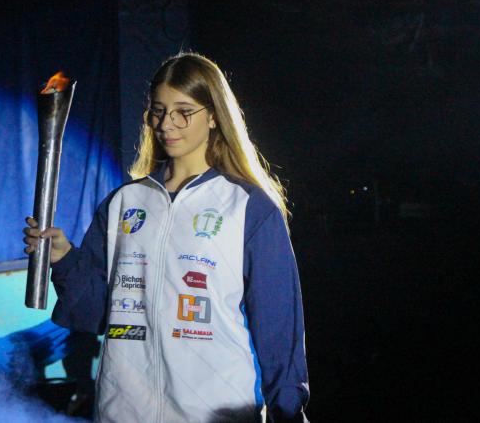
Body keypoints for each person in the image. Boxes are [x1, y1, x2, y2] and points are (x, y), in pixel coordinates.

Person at [23, 52, 310, 422]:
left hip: (213, 414)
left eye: (183, 111)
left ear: (213, 116)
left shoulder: (247, 207)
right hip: (124, 412)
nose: (167, 124)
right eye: (158, 111)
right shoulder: (124, 202)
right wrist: (63, 258)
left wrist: (288, 413)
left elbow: (279, 329)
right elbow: (95, 313)